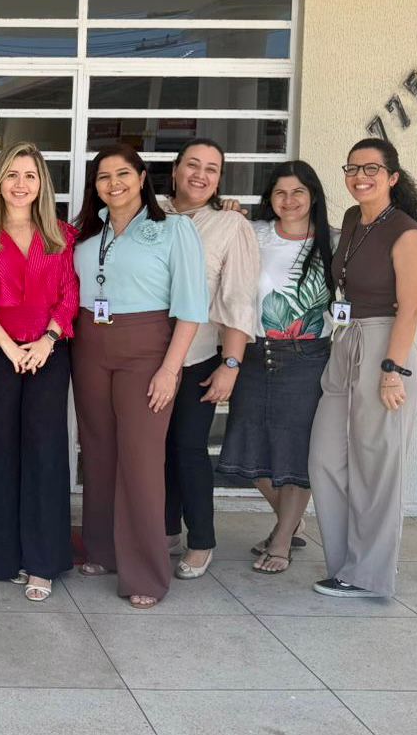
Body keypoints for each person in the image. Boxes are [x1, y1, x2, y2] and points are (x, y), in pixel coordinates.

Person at [71, 143, 208, 609]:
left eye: (123, 173)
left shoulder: (174, 229)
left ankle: (146, 573)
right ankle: (103, 551)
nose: (114, 183)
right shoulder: (86, 233)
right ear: (95, 186)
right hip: (90, 344)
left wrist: (171, 370)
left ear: (143, 176)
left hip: (146, 349)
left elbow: (191, 309)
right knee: (98, 451)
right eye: (104, 176)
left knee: (141, 459)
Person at [309, 138, 417, 598]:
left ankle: (367, 576)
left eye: (372, 168)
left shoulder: (407, 234)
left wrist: (391, 369)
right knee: (324, 459)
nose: (360, 175)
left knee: (378, 469)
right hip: (347, 344)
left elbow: (412, 310)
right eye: (353, 167)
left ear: (393, 177)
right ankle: (345, 565)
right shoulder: (352, 220)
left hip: (385, 347)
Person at [0, 142, 79, 602]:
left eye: (30, 175)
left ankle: (42, 562)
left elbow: (69, 296)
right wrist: (10, 347)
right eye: (12, 174)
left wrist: (46, 341)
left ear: (42, 184)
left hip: (48, 354)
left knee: (45, 456)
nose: (21, 184)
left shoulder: (62, 237)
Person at [217, 161, 337, 574]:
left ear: (313, 196)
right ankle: (291, 517)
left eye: (298, 192)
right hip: (254, 354)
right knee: (249, 450)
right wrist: (228, 213)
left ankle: (282, 539)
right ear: (269, 198)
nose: (289, 201)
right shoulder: (254, 234)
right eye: (280, 193)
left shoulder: (333, 241)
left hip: (308, 359)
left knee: (295, 454)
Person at [160, 139, 260, 580]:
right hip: (143, 354)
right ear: (176, 169)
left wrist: (231, 364)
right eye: (193, 165)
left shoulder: (229, 225)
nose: (201, 175)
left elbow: (239, 298)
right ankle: (164, 532)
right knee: (155, 451)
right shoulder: (149, 214)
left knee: (187, 449)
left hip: (199, 357)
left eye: (212, 169)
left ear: (220, 179)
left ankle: (201, 539)